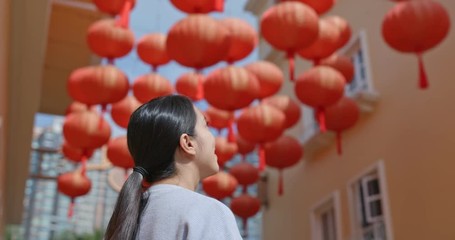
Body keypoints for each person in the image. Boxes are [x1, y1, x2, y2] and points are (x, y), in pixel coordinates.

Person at [105, 95, 243, 240]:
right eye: (205, 125)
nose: (213, 137)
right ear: (188, 143)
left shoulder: (124, 219)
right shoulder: (207, 212)